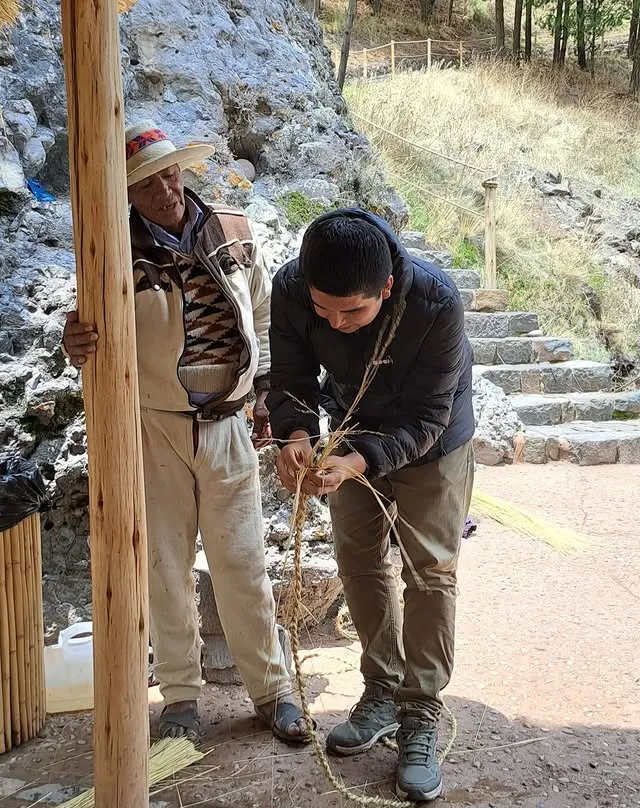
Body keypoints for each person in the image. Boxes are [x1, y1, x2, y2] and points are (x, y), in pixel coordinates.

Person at [62, 120, 309, 744]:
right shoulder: (109, 245)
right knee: (165, 569)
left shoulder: (231, 228)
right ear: (127, 193)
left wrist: (267, 395)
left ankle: (272, 691)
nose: (167, 188)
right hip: (156, 425)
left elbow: (261, 309)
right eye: (148, 182)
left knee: (244, 564)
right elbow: (89, 330)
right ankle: (179, 697)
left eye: (171, 172)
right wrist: (77, 339)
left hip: (228, 423)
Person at [267, 210, 475, 802]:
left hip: (432, 443)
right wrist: (297, 437)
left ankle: (421, 710)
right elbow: (291, 380)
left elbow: (429, 418)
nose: (336, 323)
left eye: (352, 312)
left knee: (430, 570)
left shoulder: (435, 301)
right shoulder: (291, 288)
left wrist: (359, 462)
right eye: (324, 310)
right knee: (357, 560)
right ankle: (382, 689)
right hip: (352, 429)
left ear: (384, 288)